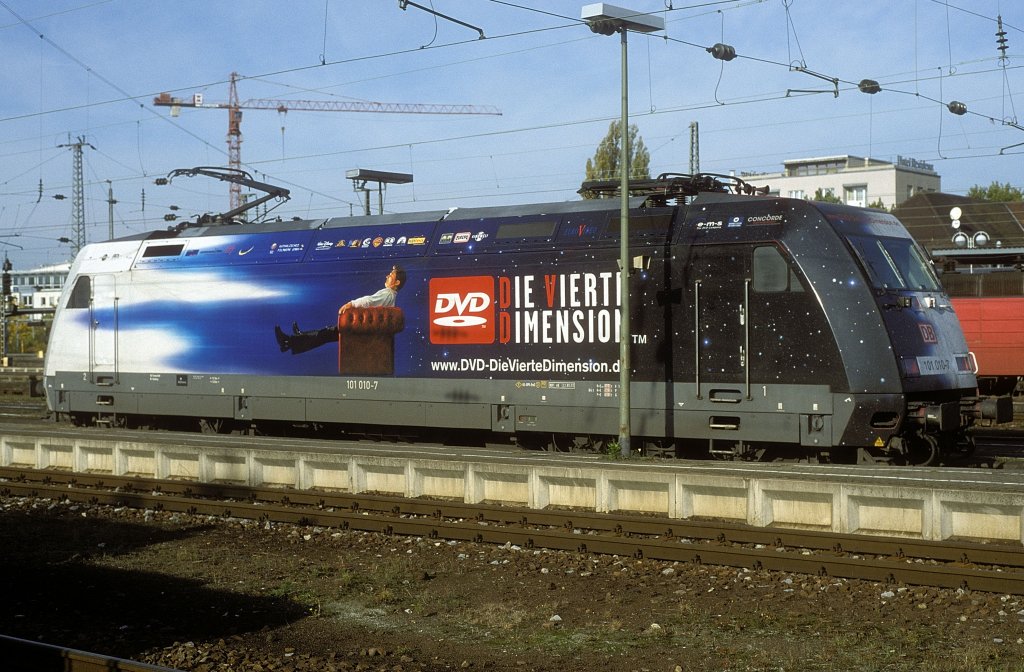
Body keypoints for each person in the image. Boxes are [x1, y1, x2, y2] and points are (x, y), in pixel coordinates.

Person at [275, 265, 406, 355]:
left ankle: (290, 342)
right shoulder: (391, 296)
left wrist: (351, 304)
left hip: (361, 330)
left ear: (397, 282)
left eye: (390, 275)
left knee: (326, 334)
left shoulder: (388, 293)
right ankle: (297, 338)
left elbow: (369, 300)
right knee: (326, 333)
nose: (387, 276)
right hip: (364, 330)